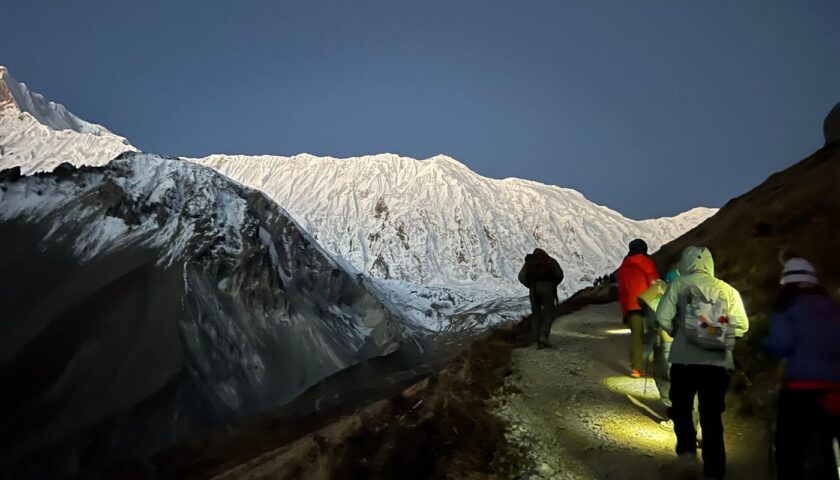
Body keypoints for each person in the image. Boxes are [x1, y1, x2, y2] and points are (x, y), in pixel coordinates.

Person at [656, 246, 749, 480]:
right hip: (716, 362)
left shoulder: (678, 285)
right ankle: (715, 467)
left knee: (682, 409)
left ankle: (687, 457)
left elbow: (662, 317)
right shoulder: (727, 290)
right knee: (711, 413)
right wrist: (717, 335)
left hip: (683, 360)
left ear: (685, 263)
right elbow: (743, 325)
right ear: (710, 264)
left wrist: (679, 331)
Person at [762, 257, 840, 479]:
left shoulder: (787, 309)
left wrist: (767, 349)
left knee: (788, 445)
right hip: (836, 390)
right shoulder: (835, 308)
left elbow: (779, 345)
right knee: (826, 441)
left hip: (800, 390)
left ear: (787, 283)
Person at [618, 238, 659, 378]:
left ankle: (636, 368)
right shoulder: (647, 262)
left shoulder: (624, 266)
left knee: (636, 336)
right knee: (656, 334)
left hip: (631, 306)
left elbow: (622, 292)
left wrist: (625, 313)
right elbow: (654, 284)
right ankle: (659, 367)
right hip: (648, 303)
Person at [518, 248, 564, 348]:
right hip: (547, 288)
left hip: (533, 289)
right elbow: (560, 274)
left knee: (535, 314)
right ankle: (543, 337)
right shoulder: (551, 261)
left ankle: (535, 339)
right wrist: (553, 284)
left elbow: (521, 277)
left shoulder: (529, 262)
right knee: (548, 313)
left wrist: (530, 285)